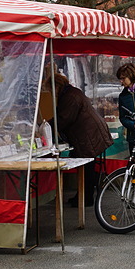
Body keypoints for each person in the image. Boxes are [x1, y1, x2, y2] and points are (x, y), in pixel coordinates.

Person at [45, 71, 113, 207]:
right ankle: (83, 196)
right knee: (87, 166)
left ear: (56, 86)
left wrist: (46, 125)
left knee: (87, 167)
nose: (51, 93)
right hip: (90, 133)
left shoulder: (69, 96)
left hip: (88, 135)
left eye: (51, 90)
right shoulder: (71, 93)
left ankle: (86, 198)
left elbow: (63, 119)